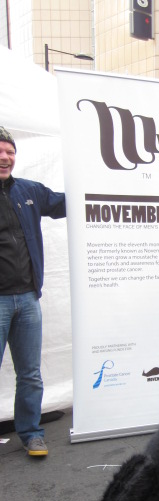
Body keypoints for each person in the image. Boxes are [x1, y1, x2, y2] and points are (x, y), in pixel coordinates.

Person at [0, 126, 66, 457]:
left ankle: (31, 434)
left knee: (30, 374)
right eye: (0, 151)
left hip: (27, 298)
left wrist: (94, 182)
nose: (5, 157)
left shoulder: (28, 191)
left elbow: (62, 203)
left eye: (10, 151)